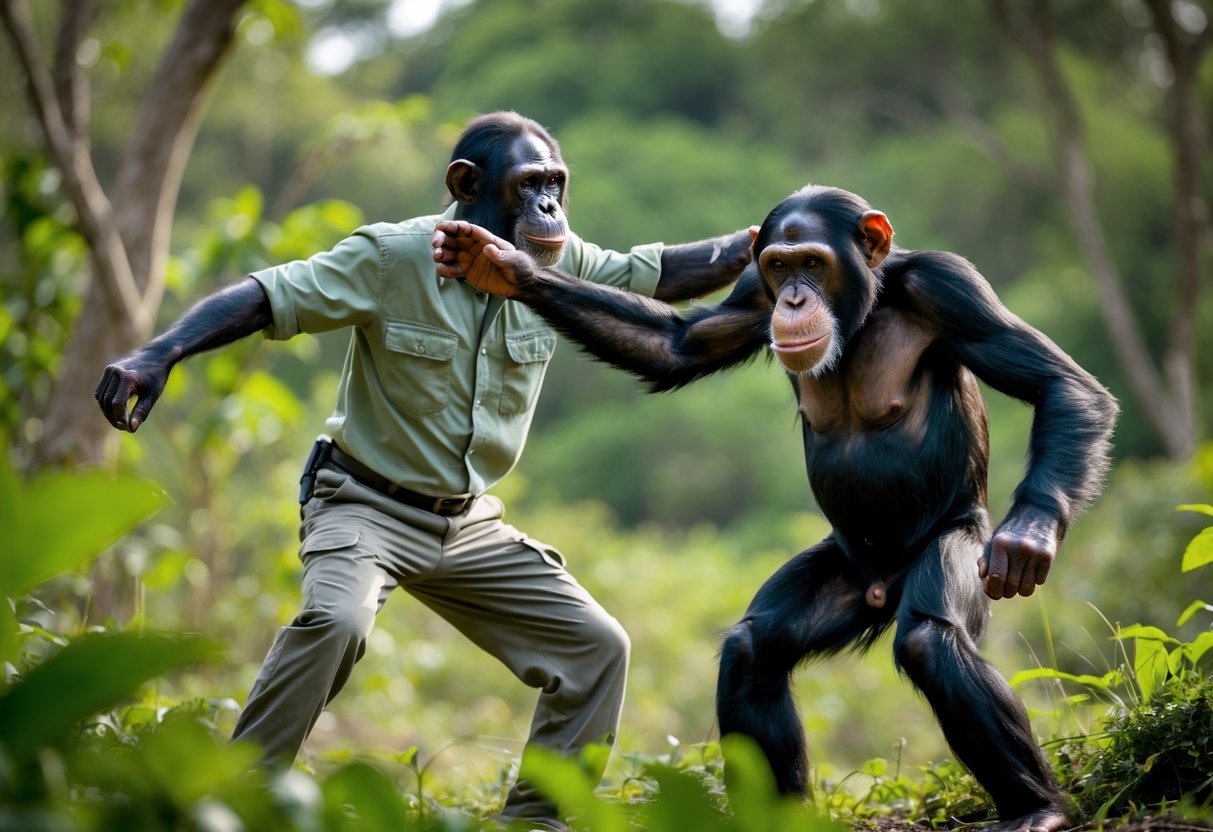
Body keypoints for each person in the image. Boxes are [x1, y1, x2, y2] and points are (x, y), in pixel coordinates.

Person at [94, 112, 754, 830]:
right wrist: (159, 352)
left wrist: (767, 242)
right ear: (466, 186)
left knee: (597, 649)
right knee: (336, 618)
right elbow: (268, 295)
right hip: (364, 504)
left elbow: (666, 274)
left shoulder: (555, 263)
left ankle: (537, 824)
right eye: (530, 187)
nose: (548, 208)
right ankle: (230, 806)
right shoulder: (395, 256)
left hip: (467, 522)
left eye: (556, 187)